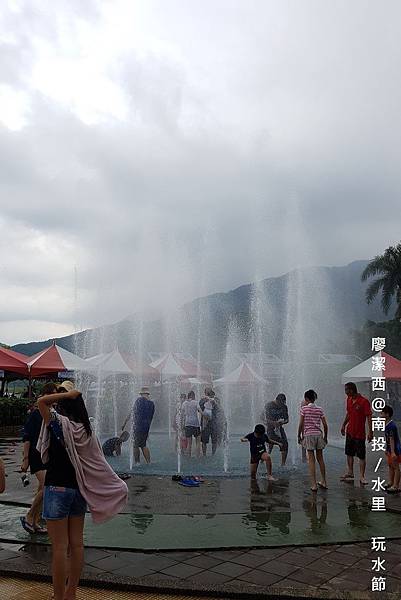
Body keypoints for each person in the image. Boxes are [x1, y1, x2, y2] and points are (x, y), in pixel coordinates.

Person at [37, 380, 128, 600]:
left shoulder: (58, 422)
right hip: (79, 491)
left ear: (65, 401)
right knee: (77, 544)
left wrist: (65, 395)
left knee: (59, 548)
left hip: (57, 488)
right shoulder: (86, 430)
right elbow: (98, 462)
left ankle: (58, 597)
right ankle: (71, 593)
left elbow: (41, 402)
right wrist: (72, 395)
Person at [20, 382, 58, 535]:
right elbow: (27, 437)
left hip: (46, 455)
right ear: (47, 395)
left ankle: (35, 522)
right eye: (53, 394)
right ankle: (29, 516)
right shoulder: (36, 414)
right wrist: (25, 458)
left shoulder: (51, 413)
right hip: (36, 455)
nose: (55, 398)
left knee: (41, 489)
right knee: (47, 485)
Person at [340, 382, 373, 485]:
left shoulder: (364, 401)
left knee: (361, 455)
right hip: (350, 431)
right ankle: (350, 472)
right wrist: (344, 424)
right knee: (349, 453)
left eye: (347, 390)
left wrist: (370, 432)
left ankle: (362, 476)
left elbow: (369, 417)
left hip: (360, 433)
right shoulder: (349, 400)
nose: (345, 392)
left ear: (352, 390)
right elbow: (349, 413)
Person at [297, 389, 328, 492]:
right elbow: (325, 425)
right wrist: (325, 437)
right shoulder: (320, 409)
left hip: (309, 435)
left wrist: (299, 436)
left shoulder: (304, 409)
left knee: (311, 460)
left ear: (306, 399)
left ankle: (314, 484)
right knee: (320, 459)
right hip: (319, 435)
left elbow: (301, 424)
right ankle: (324, 481)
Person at [122, 386, 155, 464]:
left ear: (141, 394)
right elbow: (151, 417)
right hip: (146, 427)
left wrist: (124, 422)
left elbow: (132, 412)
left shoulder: (139, 400)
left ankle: (137, 462)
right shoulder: (152, 404)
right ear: (147, 394)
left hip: (138, 426)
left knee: (135, 445)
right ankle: (148, 462)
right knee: (143, 445)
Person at [264, 393, 289, 466]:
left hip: (279, 428)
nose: (281, 405)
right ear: (276, 400)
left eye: (283, 403)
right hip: (270, 428)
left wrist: (282, 422)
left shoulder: (284, 407)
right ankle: (263, 460)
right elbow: (263, 418)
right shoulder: (269, 405)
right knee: (270, 444)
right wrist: (273, 422)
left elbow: (287, 420)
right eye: (280, 403)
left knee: (285, 443)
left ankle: (283, 464)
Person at [382, 405, 401, 494]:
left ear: (387, 414)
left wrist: (393, 452)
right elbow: (388, 439)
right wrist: (387, 448)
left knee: (396, 467)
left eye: (382, 413)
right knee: (390, 466)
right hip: (390, 449)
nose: (381, 414)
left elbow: (392, 439)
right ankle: (391, 482)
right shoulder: (387, 424)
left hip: (395, 449)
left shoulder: (391, 426)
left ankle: (396, 486)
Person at [182, 390, 201, 458]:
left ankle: (189, 457)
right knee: (198, 442)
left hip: (187, 424)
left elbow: (182, 414)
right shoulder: (196, 402)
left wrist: (182, 425)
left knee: (189, 443)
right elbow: (200, 410)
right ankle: (197, 457)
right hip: (195, 424)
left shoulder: (184, 403)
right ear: (193, 396)